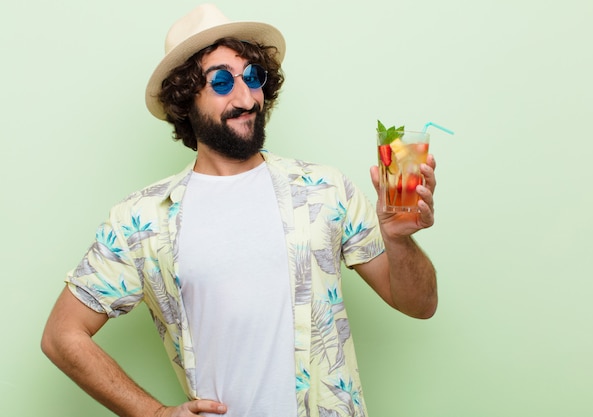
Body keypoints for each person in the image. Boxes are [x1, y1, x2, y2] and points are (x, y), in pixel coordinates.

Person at [41, 4, 438, 417]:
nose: (246, 97)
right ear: (184, 98)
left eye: (252, 77)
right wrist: (154, 413)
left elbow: (419, 305)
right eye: (222, 81)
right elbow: (61, 335)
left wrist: (399, 238)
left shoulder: (325, 190)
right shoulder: (143, 220)